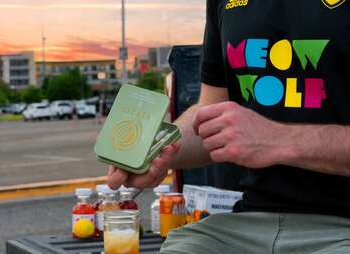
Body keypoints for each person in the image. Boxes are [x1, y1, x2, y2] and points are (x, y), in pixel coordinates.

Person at [108, 0, 350, 253]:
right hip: (245, 224)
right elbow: (210, 112)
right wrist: (159, 149)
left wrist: (279, 139)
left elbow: (263, 136)